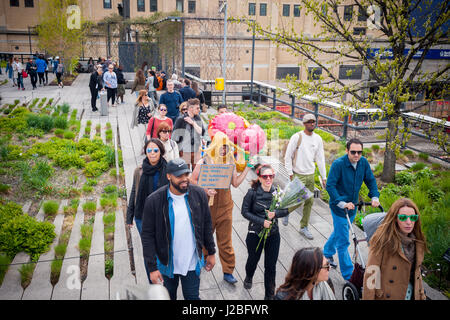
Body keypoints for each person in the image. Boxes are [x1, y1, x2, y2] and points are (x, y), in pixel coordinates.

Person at [141, 158, 216, 300]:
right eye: (179, 176)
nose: (184, 179)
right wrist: (152, 267)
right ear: (168, 176)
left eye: (186, 175)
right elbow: (147, 237)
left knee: (193, 297)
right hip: (166, 263)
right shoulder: (154, 201)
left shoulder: (199, 194)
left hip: (192, 263)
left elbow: (206, 224)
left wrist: (211, 252)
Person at [190, 132, 251, 284]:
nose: (223, 150)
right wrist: (205, 189)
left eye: (226, 147)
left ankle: (228, 271)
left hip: (225, 206)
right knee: (205, 236)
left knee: (226, 240)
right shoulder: (204, 161)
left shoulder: (230, 161)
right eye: (221, 147)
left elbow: (235, 183)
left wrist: (247, 169)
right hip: (207, 207)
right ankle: (205, 258)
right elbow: (192, 179)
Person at [324, 138, 380, 280]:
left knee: (340, 231)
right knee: (343, 241)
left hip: (353, 207)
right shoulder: (338, 164)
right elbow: (330, 186)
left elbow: (371, 180)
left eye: (359, 152)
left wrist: (374, 196)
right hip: (339, 209)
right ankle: (349, 276)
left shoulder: (363, 163)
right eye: (353, 152)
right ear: (347, 151)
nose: (356, 155)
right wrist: (341, 202)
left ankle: (327, 251)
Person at [241, 164, 290, 300]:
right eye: (265, 176)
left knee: (271, 266)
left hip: (273, 234)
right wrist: (261, 221)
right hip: (256, 233)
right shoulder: (252, 193)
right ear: (260, 178)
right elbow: (244, 211)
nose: (268, 179)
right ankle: (249, 276)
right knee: (253, 259)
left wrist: (275, 214)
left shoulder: (278, 192)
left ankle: (269, 296)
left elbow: (286, 210)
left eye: (271, 176)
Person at [363, 198, 427, 300]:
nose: (409, 222)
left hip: (410, 294)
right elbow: (371, 275)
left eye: (413, 217)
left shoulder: (417, 242)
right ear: (395, 218)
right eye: (403, 217)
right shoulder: (382, 241)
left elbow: (417, 273)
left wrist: (421, 295)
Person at [283, 113, 327, 239]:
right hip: (298, 174)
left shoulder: (318, 139)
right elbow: (288, 156)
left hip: (310, 175)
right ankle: (286, 211)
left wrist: (324, 177)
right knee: (299, 199)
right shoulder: (297, 137)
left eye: (314, 121)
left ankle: (304, 227)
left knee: (309, 201)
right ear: (304, 123)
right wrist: (290, 173)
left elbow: (320, 159)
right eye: (309, 121)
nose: (312, 123)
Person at [127, 138, 169, 235]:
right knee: (148, 247)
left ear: (161, 152)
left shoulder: (168, 170)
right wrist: (129, 216)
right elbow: (134, 191)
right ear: (145, 152)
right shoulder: (139, 171)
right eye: (149, 150)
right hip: (142, 215)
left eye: (156, 150)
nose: (152, 153)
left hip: (162, 216)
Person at [172, 98, 205, 169]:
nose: (199, 110)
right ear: (190, 108)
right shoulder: (181, 119)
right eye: (197, 108)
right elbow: (174, 137)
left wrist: (193, 123)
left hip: (196, 149)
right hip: (184, 150)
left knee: (196, 170)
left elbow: (202, 132)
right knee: (185, 171)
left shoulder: (198, 118)